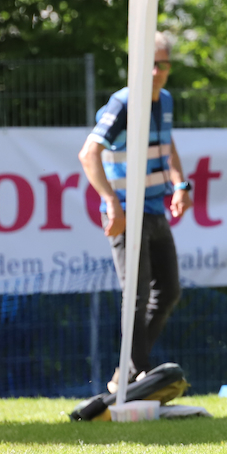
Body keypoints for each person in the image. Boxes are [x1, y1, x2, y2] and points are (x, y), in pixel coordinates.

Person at [77, 31, 190, 390]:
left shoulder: (165, 100)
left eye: (163, 65)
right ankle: (136, 371)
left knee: (169, 291)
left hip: (154, 209)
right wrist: (111, 202)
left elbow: (167, 144)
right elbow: (88, 154)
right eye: (150, 65)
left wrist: (180, 184)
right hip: (126, 211)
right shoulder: (123, 103)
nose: (157, 72)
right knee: (136, 296)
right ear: (137, 66)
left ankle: (127, 372)